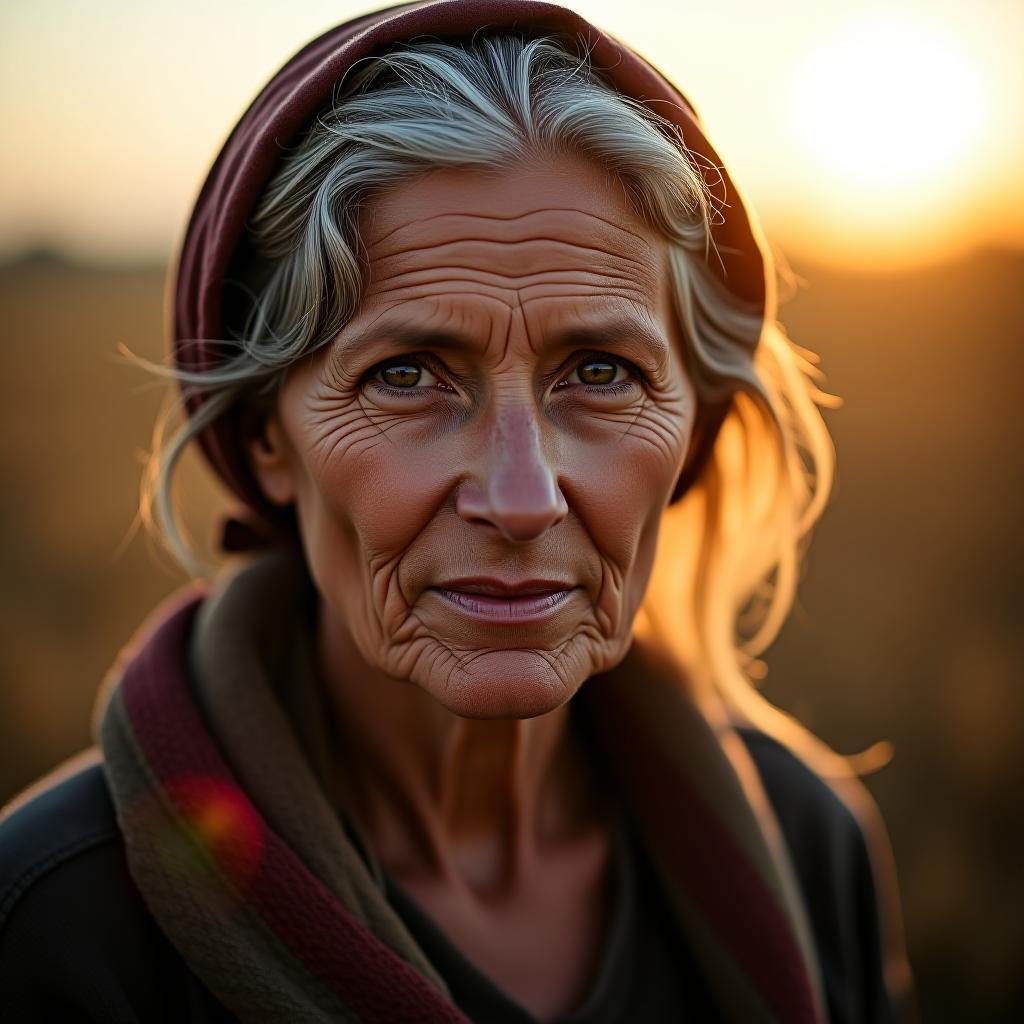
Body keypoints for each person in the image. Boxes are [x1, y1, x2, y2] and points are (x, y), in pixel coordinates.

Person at [0, 2, 916, 1021]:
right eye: (407, 375)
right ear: (265, 437)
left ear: (691, 429)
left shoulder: (810, 847)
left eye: (601, 371)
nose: (521, 499)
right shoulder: (56, 929)